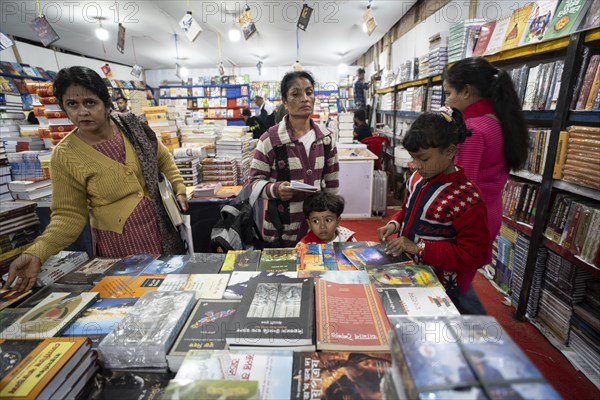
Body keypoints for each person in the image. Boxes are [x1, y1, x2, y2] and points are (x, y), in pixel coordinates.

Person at [2, 66, 187, 292]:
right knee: (132, 299)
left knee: (171, 292)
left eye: (90, 102)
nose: (82, 112)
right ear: (63, 108)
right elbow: (67, 215)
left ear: (106, 103)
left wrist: (178, 187)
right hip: (121, 246)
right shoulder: (65, 155)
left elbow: (162, 158)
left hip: (162, 231)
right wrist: (37, 252)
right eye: (72, 105)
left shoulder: (132, 126)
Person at [376, 108, 492, 313]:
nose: (417, 165)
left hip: (440, 288)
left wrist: (418, 248)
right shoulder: (416, 178)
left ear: (450, 151)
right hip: (410, 275)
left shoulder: (466, 197)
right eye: (413, 158)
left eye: (424, 159)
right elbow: (408, 209)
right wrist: (395, 223)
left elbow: (475, 254)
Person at [249, 71, 339, 248]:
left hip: (317, 231)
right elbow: (255, 182)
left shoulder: (326, 139)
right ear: (284, 100)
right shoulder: (270, 139)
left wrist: (333, 222)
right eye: (296, 94)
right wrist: (276, 190)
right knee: (281, 275)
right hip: (280, 231)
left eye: (309, 92)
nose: (305, 98)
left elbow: (332, 186)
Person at [444, 57, 529, 241]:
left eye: (449, 93)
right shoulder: (499, 121)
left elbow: (462, 190)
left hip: (468, 223)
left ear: (466, 91)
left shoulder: (473, 130)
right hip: (490, 212)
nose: (447, 101)